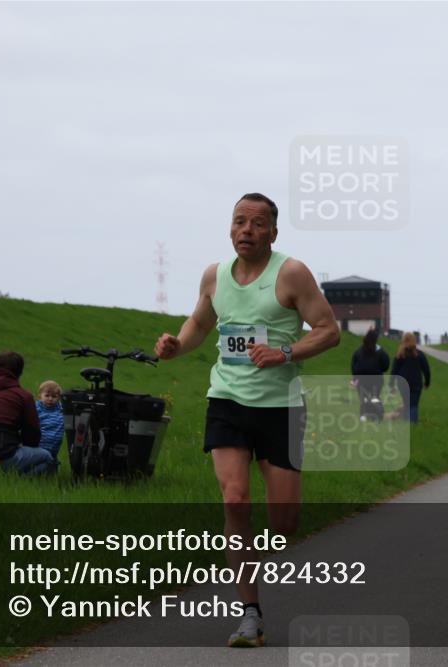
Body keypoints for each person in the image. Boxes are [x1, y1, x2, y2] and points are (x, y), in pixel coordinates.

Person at [153, 193, 340, 648]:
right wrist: (178, 344)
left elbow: (329, 331)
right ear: (230, 228)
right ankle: (250, 614)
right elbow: (199, 324)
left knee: (284, 522)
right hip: (228, 401)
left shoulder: (291, 273)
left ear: (273, 233)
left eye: (257, 224)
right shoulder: (214, 276)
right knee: (235, 501)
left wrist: (286, 352)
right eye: (239, 222)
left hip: (282, 407)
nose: (247, 230)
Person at [389, 332, 431, 423]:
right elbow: (426, 369)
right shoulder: (419, 354)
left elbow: (394, 371)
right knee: (414, 404)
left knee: (406, 403)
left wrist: (391, 385)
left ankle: (407, 423)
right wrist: (427, 382)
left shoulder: (399, 355)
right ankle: (412, 423)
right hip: (416, 383)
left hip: (402, 383)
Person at [351, 329, 390, 420]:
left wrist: (355, 377)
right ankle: (376, 416)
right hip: (376, 380)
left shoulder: (359, 351)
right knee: (374, 397)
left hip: (361, 380)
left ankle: (363, 416)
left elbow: (354, 365)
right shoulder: (380, 351)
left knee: (363, 398)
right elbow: (386, 365)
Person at [36, 380, 65, 466]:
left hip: (55, 447)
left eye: (54, 396)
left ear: (59, 398)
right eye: (47, 396)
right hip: (40, 445)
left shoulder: (61, 409)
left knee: (52, 466)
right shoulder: (36, 409)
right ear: (40, 397)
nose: (50, 399)